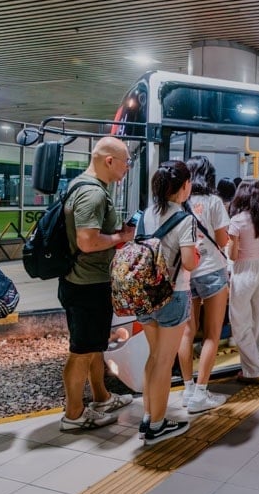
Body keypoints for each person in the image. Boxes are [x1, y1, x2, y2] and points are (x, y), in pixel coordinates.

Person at [58, 137, 135, 432]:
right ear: (109, 161)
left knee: (93, 346)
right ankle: (74, 415)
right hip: (86, 283)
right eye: (126, 161)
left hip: (84, 280)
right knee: (81, 351)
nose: (128, 167)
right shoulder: (93, 195)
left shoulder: (83, 186)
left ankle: (101, 397)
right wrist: (121, 238)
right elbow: (87, 241)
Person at [138, 160, 200, 444]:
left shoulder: (144, 215)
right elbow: (188, 262)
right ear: (184, 186)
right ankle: (158, 426)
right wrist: (197, 255)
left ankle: (148, 416)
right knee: (164, 362)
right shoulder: (185, 219)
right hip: (173, 295)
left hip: (145, 295)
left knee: (153, 358)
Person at [177, 157, 231, 414]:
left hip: (187, 273)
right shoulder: (214, 202)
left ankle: (187, 388)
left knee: (187, 332)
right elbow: (222, 239)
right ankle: (201, 393)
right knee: (212, 333)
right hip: (212, 271)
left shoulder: (179, 201)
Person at [227, 179, 259, 384]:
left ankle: (254, 370)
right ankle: (251, 368)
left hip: (243, 272)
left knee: (239, 323)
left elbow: (232, 254)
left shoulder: (237, 221)